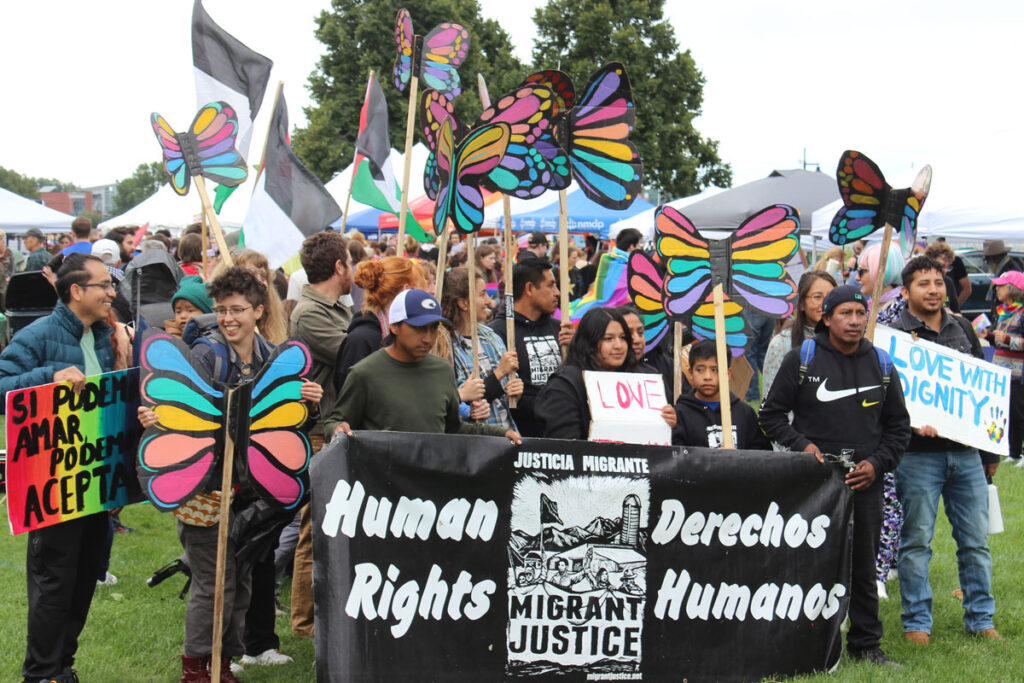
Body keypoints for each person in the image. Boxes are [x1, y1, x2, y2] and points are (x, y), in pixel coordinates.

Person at [138, 268, 322, 682]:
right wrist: (152, 416)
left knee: (238, 580)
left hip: (249, 492)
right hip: (202, 488)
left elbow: (285, 428)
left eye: (237, 309)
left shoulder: (269, 357)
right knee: (213, 580)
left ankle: (223, 660)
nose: (228, 318)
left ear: (259, 311)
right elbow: (172, 408)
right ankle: (195, 668)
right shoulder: (208, 355)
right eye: (222, 310)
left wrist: (309, 404)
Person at [759, 285, 911, 667]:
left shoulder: (881, 364)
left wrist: (877, 464)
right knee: (808, 562)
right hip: (815, 484)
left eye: (860, 313)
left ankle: (866, 644)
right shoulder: (802, 360)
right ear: (825, 318)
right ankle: (802, 642)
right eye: (845, 313)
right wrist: (803, 448)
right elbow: (770, 415)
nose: (855, 321)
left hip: (865, 483)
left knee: (864, 565)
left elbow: (898, 429)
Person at [0, 253, 116, 683]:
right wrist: (47, 377)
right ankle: (41, 673)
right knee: (54, 583)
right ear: (76, 292)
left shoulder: (104, 335)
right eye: (103, 285)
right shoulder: (38, 335)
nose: (111, 293)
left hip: (94, 480)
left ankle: (62, 667)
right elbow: (1, 388)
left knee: (85, 578)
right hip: (52, 484)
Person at [885, 256, 999, 645]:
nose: (933, 290)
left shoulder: (964, 328)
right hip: (916, 456)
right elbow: (885, 399)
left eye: (939, 282)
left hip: (966, 454)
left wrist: (990, 453)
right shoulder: (892, 335)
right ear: (905, 292)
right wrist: (909, 422)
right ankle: (917, 623)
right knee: (916, 543)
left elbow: (985, 394)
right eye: (924, 284)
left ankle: (981, 619)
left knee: (976, 543)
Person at [328, 288, 521, 443]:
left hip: (431, 483)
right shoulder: (365, 373)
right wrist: (338, 429)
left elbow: (452, 427)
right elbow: (336, 422)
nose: (428, 338)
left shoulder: (442, 370)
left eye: (433, 328)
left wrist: (500, 435)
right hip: (385, 485)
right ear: (395, 326)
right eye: (419, 328)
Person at [286, 231, 353, 642]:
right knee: (314, 531)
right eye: (351, 262)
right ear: (339, 267)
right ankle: (304, 622)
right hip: (317, 433)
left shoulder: (336, 307)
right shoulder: (310, 313)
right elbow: (355, 356)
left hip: (335, 428)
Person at [535, 307, 675, 439]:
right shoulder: (565, 385)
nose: (618, 345)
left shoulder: (643, 380)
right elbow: (564, 444)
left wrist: (667, 423)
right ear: (589, 342)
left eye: (622, 338)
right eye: (608, 339)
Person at [488, 259, 573, 436]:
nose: (557, 293)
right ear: (529, 289)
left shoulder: (561, 329)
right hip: (521, 436)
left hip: (560, 429)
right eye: (551, 285)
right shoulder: (496, 333)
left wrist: (576, 350)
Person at [439, 267, 523, 429]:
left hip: (507, 433)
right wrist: (499, 373)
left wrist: (516, 390)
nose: (488, 300)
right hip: (477, 441)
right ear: (463, 303)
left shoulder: (490, 335)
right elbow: (460, 400)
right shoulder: (444, 345)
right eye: (482, 294)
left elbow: (508, 390)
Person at [331, 256, 425, 394]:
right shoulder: (361, 340)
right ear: (405, 290)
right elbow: (349, 400)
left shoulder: (402, 334)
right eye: (416, 289)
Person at [673, 339, 769, 450]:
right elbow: (676, 457)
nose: (707, 376)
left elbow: (761, 455)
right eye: (700, 370)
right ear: (690, 373)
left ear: (728, 374)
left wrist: (738, 458)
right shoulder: (680, 413)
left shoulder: (744, 413)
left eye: (715, 370)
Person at [762, 271, 836, 395]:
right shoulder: (782, 344)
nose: (825, 304)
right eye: (817, 297)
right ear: (801, 303)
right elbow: (771, 399)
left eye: (830, 297)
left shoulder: (845, 342)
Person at [989, 270, 1024, 466]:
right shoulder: (1003, 311)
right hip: (1002, 371)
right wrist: (988, 335)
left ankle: (1021, 453)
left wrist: (1009, 339)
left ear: (1013, 289)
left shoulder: (1022, 313)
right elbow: (999, 342)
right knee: (1008, 412)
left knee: (1020, 413)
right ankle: (1013, 451)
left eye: (1001, 286)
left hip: (1019, 373)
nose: (997, 289)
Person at [983, 240, 1023, 320]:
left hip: (1011, 314)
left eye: (987, 260)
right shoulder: (1001, 268)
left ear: (994, 258)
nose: (997, 288)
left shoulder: (1011, 270)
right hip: (1004, 314)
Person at [924, 241, 965, 311]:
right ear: (930, 262)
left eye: (948, 267)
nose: (945, 270)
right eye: (942, 266)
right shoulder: (922, 282)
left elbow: (957, 312)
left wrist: (951, 315)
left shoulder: (948, 282)